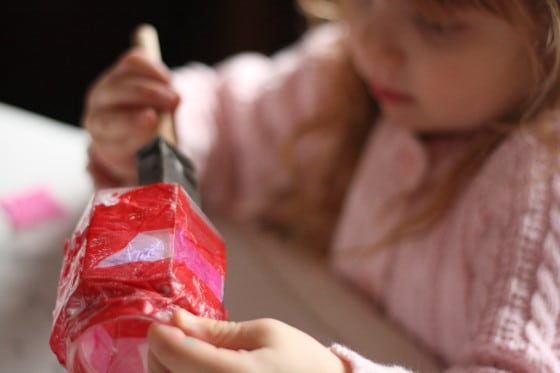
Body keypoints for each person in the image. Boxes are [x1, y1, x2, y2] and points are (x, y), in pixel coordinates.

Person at [82, 0, 560, 371]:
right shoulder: (346, 74)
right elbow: (227, 119)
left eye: (435, 23)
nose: (371, 42)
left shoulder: (540, 183)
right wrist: (149, 128)